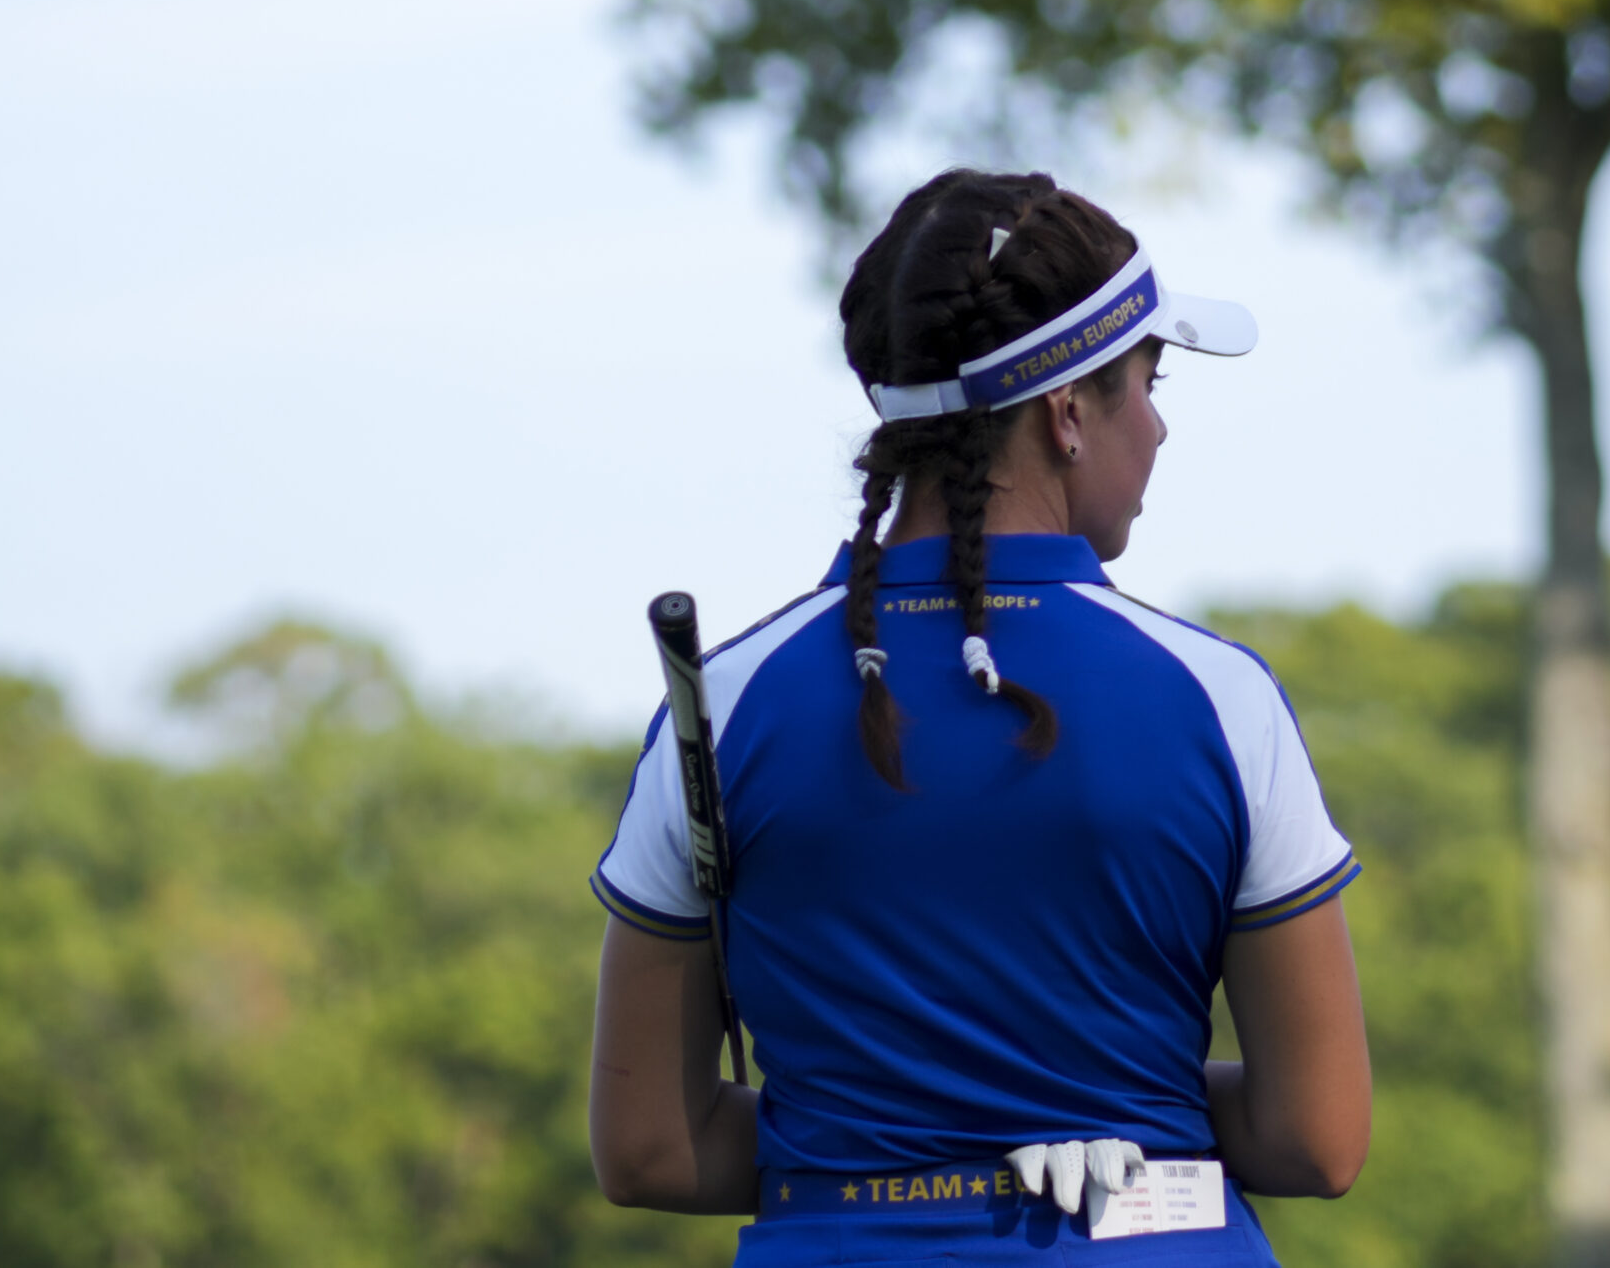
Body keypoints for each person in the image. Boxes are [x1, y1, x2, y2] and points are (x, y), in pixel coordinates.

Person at [583, 170, 1372, 1266]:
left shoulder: (722, 702)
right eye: (1146, 384)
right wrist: (1098, 1134)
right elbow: (1317, 1137)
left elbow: (651, 1153)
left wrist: (898, 1152)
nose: (1158, 428)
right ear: (1065, 415)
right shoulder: (1218, 696)